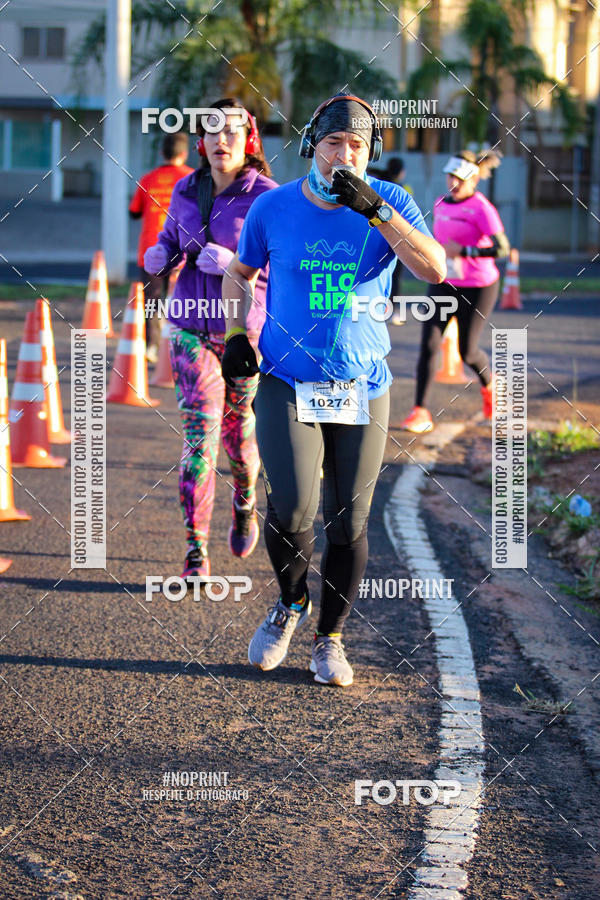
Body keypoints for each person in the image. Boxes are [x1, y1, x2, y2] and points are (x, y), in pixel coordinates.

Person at [221, 93, 445, 686]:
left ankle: (330, 639)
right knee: (292, 507)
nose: (346, 155)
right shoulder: (274, 207)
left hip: (363, 383)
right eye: (334, 143)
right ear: (311, 146)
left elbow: (435, 268)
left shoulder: (391, 201)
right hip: (287, 378)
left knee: (348, 522)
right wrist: (234, 334)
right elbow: (238, 275)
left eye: (358, 146)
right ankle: (291, 602)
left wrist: (377, 211)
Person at [143, 99, 277, 581]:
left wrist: (236, 264)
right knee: (199, 439)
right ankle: (195, 553)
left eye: (232, 133)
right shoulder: (184, 188)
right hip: (189, 330)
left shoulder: (267, 198)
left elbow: (283, 266)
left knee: (239, 438)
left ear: (249, 141)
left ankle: (245, 504)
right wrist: (161, 254)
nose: (222, 141)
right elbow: (170, 242)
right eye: (212, 131)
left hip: (244, 334)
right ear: (200, 141)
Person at [400, 149, 510, 433]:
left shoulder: (482, 208)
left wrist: (465, 250)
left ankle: (490, 384)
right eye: (451, 176)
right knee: (428, 346)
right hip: (444, 284)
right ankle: (420, 411)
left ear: (473, 181)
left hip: (478, 287)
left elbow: (502, 248)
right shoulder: (439, 203)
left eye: (461, 178)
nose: (455, 182)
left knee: (467, 351)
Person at [129, 133, 193, 362]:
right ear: (185, 153)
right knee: (186, 301)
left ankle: (152, 348)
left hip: (151, 250)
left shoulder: (148, 179)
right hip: (185, 251)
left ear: (161, 152)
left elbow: (134, 212)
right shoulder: (192, 178)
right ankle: (184, 349)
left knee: (152, 302)